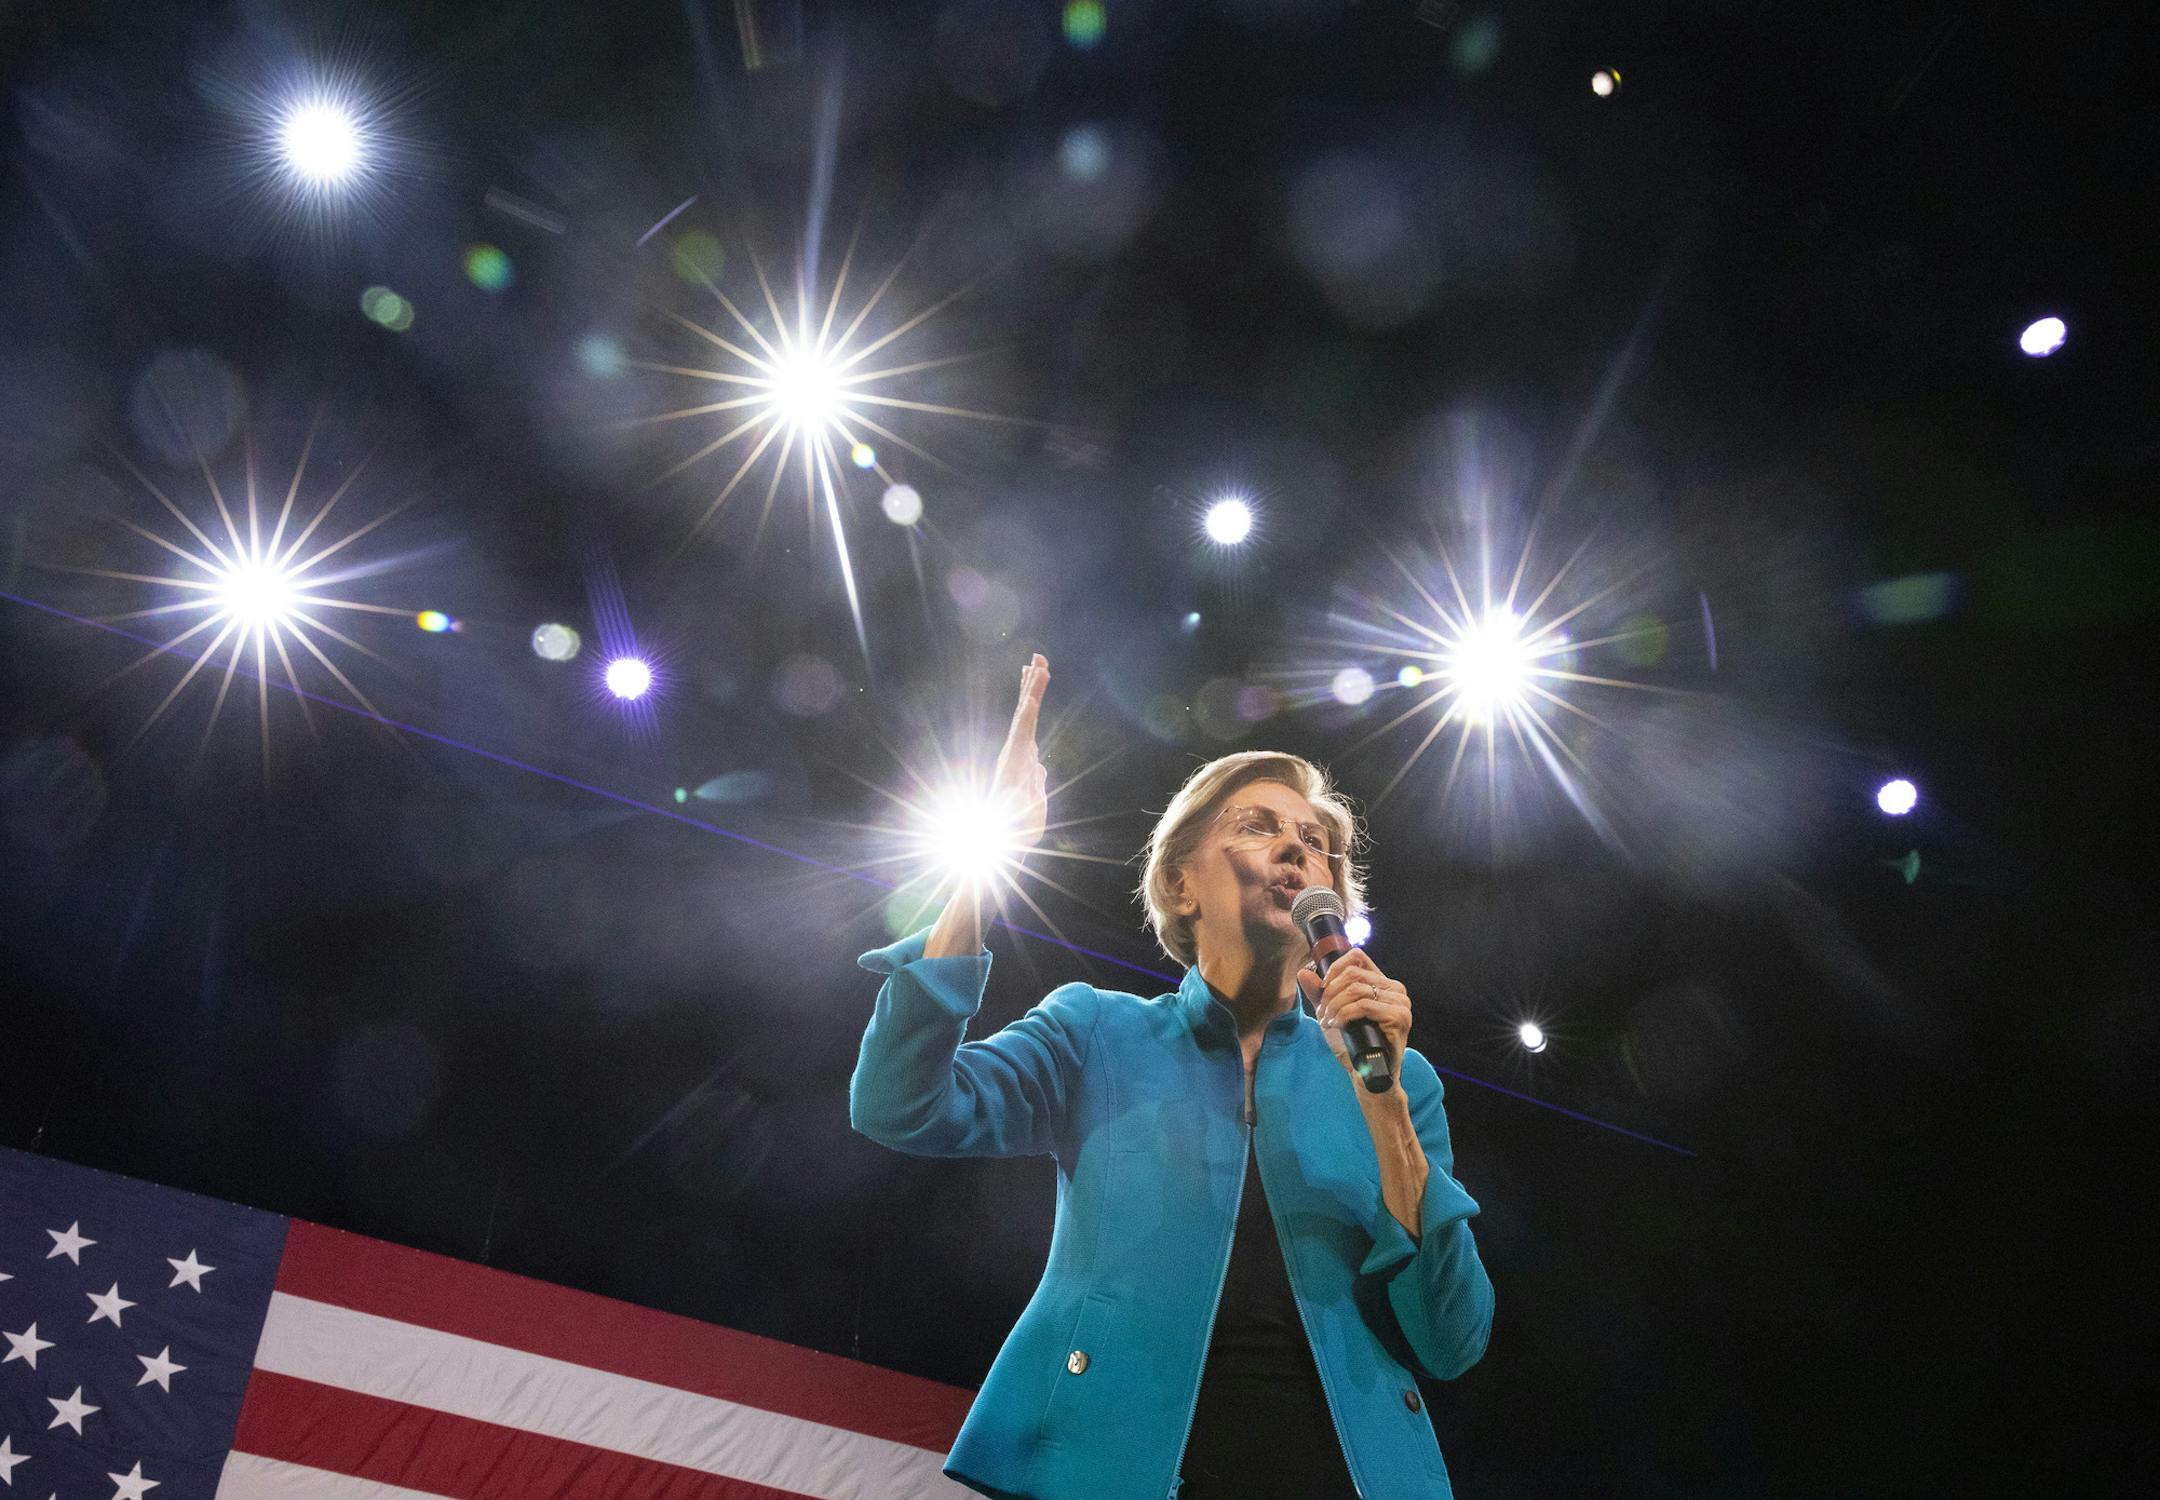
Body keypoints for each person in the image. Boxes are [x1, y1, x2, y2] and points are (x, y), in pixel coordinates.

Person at [853, 654, 1493, 1500]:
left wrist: (1385, 1103)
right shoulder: (1096, 1031)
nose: (1296, 849)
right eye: (1258, 825)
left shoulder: (1403, 1084)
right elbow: (899, 1106)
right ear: (1182, 884)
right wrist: (980, 870)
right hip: (1111, 1472)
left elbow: (1451, 1339)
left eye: (1318, 844)